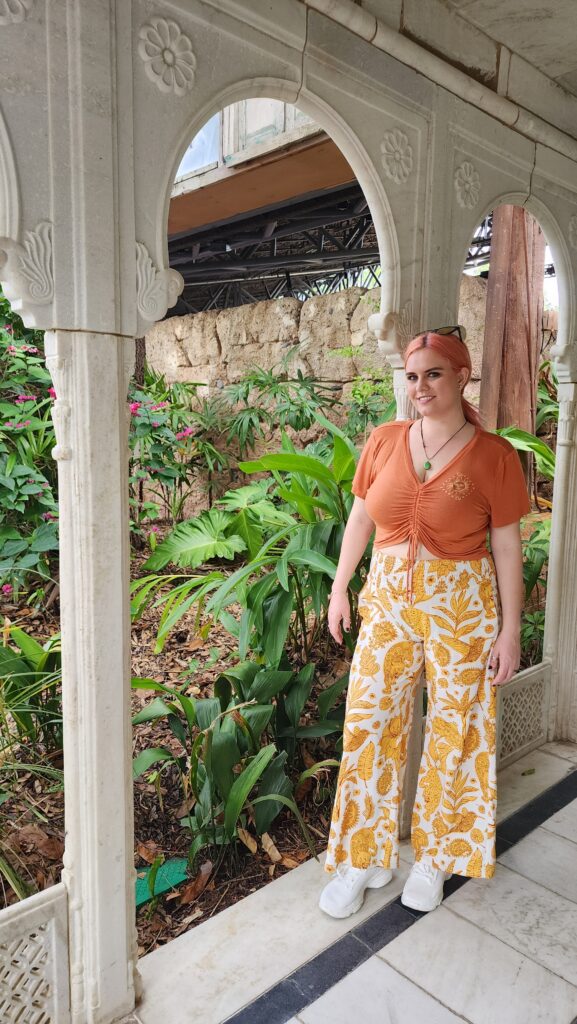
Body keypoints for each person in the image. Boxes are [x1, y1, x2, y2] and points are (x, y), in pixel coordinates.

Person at [319, 326, 531, 918]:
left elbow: (508, 548)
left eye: (433, 374)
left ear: (463, 377)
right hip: (386, 600)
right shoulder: (385, 441)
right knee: (368, 720)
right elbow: (360, 520)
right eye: (412, 376)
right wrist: (340, 588)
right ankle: (365, 856)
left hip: (462, 608)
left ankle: (435, 856)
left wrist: (509, 630)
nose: (420, 387)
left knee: (455, 730)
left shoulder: (494, 456)